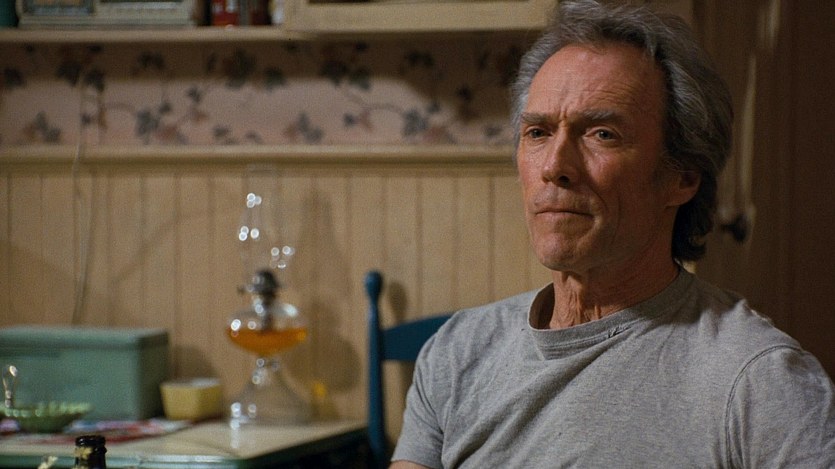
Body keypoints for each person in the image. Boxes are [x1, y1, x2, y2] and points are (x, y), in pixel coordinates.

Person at [390, 1, 835, 468]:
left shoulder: (761, 382)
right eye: (538, 132)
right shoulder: (458, 352)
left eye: (601, 134)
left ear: (682, 177)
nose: (555, 166)